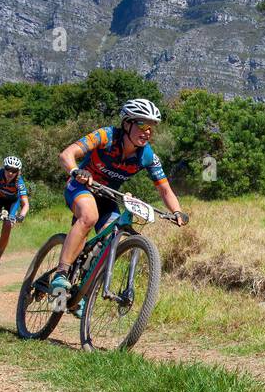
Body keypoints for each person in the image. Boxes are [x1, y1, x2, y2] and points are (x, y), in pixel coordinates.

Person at [49, 99, 188, 295]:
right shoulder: (106, 136)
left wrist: (177, 212)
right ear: (126, 123)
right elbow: (67, 154)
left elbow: (165, 190)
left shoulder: (148, 157)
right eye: (142, 124)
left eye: (151, 127)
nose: (147, 131)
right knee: (89, 216)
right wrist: (75, 171)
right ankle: (61, 274)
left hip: (108, 197)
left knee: (112, 240)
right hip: (81, 187)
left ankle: (81, 293)